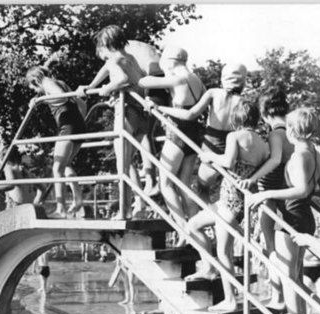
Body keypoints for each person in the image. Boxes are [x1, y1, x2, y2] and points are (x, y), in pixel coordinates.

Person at [247, 108, 320, 314]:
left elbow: (302, 189)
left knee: (287, 274)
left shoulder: (298, 156)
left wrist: (266, 194)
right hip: (305, 218)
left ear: (292, 131)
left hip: (291, 217)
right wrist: (303, 191)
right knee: (294, 274)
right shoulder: (316, 154)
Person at [185, 99, 269, 312]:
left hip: (230, 199)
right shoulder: (262, 142)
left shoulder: (234, 136)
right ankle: (209, 268)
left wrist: (209, 156)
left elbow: (229, 162)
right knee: (193, 225)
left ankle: (230, 299)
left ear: (236, 118)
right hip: (238, 199)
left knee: (224, 251)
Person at [79, 25, 149, 215]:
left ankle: (124, 211)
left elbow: (121, 78)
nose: (102, 58)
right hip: (141, 114)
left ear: (104, 45)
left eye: (100, 53)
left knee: (121, 167)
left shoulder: (113, 60)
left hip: (127, 113)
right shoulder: (131, 58)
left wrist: (107, 89)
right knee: (128, 162)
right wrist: (92, 85)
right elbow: (132, 80)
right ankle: (140, 203)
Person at [156, 63, 247, 205]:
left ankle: (211, 223)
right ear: (243, 81)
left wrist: (160, 108)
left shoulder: (214, 93)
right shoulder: (244, 102)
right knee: (229, 192)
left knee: (202, 190)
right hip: (233, 147)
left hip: (212, 144)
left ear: (223, 78)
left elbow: (189, 114)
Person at [139, 46, 206, 229]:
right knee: (184, 185)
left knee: (166, 184)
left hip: (177, 131)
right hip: (194, 132)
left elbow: (144, 82)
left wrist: (157, 106)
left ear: (170, 63)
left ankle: (183, 227)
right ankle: (196, 227)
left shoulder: (176, 79)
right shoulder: (196, 80)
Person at [239, 87, 294, 309]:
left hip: (271, 195)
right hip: (285, 195)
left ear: (265, 114)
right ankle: (284, 299)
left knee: (271, 248)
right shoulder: (293, 132)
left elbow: (275, 159)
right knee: (282, 252)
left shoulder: (275, 134)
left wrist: (252, 179)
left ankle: (278, 298)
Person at [25, 65, 86, 217]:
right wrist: (80, 120)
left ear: (35, 81)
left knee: (57, 168)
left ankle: (61, 209)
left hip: (67, 126)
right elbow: (81, 104)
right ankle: (77, 198)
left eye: (32, 87)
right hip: (78, 125)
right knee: (65, 166)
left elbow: (61, 96)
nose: (33, 91)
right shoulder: (61, 82)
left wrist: (41, 100)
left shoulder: (47, 83)